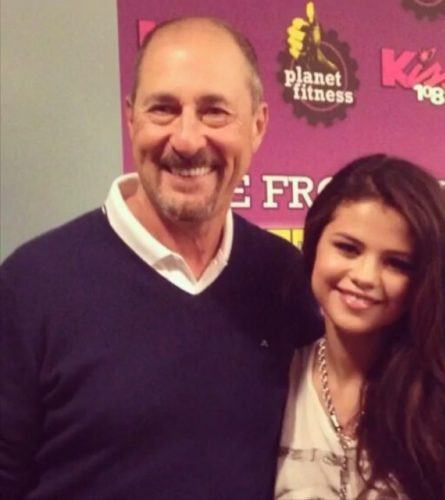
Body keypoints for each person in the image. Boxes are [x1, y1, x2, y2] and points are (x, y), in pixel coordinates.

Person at [0, 17, 321, 500]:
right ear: (131, 118)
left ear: (257, 126)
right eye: (163, 109)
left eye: (215, 112)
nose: (187, 139)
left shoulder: (285, 277)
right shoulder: (30, 285)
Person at [275, 154, 445, 499]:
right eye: (348, 248)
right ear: (314, 244)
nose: (365, 277)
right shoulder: (270, 381)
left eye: (397, 263)